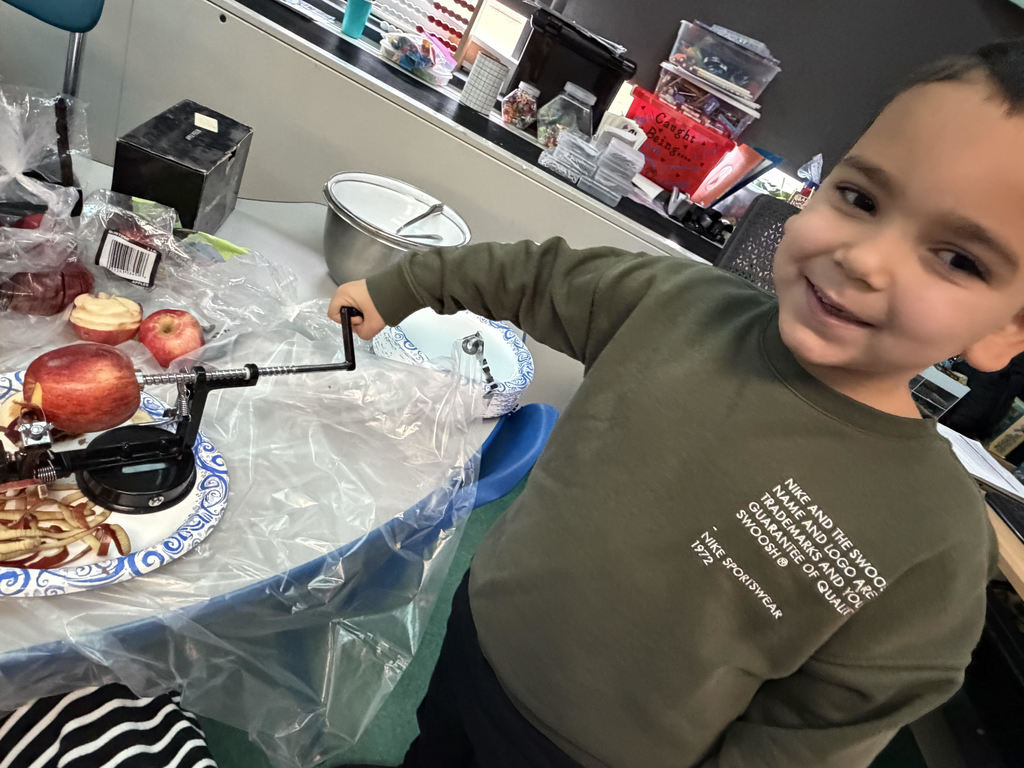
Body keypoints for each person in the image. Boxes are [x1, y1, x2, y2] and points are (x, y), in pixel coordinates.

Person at [327, 40, 1024, 768]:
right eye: (861, 198)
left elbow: (821, 733)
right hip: (480, 635)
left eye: (959, 259)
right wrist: (400, 287)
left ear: (1010, 328)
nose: (865, 258)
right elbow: (536, 275)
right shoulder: (677, 303)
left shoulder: (934, 539)